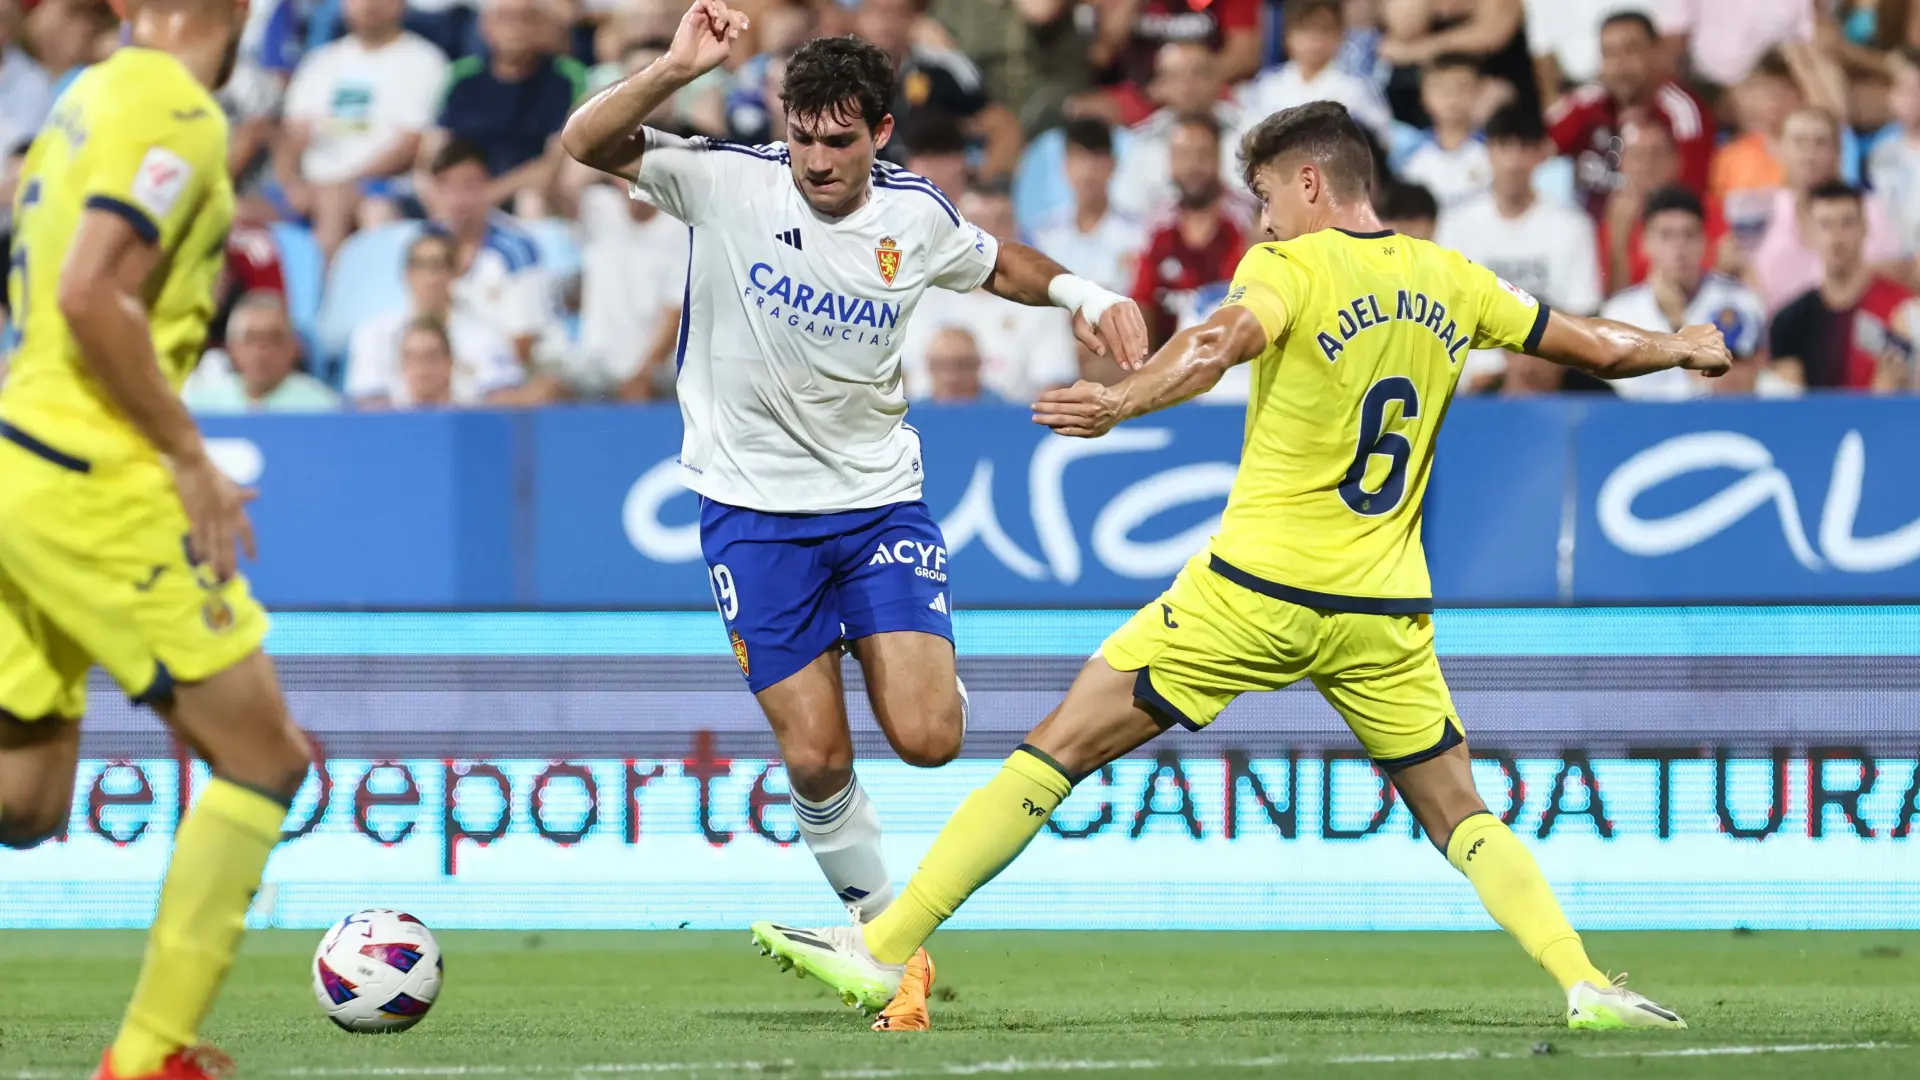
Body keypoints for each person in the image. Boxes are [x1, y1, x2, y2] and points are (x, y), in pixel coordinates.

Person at [748, 99, 1727, 1032]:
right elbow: (1592, 344)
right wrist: (1680, 346)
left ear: (1310, 183)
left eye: (1265, 197)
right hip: (1383, 609)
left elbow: (1218, 341)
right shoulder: (1455, 278)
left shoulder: (1291, 268)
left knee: (1061, 742)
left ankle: (885, 945)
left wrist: (1122, 397)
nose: (1261, 221)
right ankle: (1584, 980)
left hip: (1255, 591)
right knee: (1458, 808)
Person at [562, 3, 1148, 1032]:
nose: (816, 160)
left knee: (929, 739)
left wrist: (1082, 295)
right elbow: (586, 142)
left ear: (881, 132)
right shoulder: (726, 181)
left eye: (839, 141)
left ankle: (907, 663)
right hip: (750, 513)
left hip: (877, 504)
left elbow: (993, 261)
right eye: (802, 136)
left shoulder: (913, 214)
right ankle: (884, 940)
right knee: (818, 759)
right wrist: (676, 68)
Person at [0, 1, 313, 1078]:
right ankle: (146, 1060)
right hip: (89, 473)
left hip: (20, 453)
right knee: (265, 756)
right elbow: (92, 292)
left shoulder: (83, 97)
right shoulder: (174, 106)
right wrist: (187, 454)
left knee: (25, 803)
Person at [1436, 105, 1599, 392]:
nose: (1513, 162)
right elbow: (1445, 311)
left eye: (1524, 148)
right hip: (1472, 377)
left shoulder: (1573, 227)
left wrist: (1531, 364)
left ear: (1541, 154)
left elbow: (1581, 315)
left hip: (1550, 371)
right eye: (1503, 147)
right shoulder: (1455, 224)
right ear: (1488, 152)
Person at [277, 0, 449, 260]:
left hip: (384, 186)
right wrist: (292, 184)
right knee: (242, 212)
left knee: (338, 202)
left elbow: (411, 145)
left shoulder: (424, 61)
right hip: (312, 184)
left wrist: (344, 183)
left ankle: (323, 282)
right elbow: (290, 135)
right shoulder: (320, 61)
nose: (369, 5)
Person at [1600, 187, 1778, 400]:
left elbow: (1736, 384)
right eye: (1666, 236)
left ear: (1704, 241)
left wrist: (1678, 321)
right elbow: (1621, 392)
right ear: (1645, 243)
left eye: (1689, 235)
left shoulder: (1739, 302)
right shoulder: (1620, 312)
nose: (1679, 247)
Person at [1545, 11, 1712, 220]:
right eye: (1609, 53)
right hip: (1583, 230)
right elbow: (1533, 151)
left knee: (1627, 204)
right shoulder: (1587, 102)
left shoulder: (1681, 110)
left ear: (1657, 52)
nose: (1619, 65)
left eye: (1631, 50)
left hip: (1656, 229)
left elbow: (1692, 193)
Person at [1740, 107, 1904, 312]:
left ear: (1838, 151)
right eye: (1799, 142)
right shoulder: (1760, 211)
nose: (1809, 155)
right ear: (1779, 149)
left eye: (1820, 143)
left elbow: (1890, 275)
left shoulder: (1870, 210)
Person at [345, 231, 529, 408]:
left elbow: (504, 402)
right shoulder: (373, 334)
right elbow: (367, 403)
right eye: (421, 265)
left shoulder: (487, 337)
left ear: (455, 272)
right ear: (407, 273)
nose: (430, 277)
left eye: (438, 265)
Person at [437, 0, 590, 213]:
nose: (515, 28)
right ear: (485, 26)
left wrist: (488, 196)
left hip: (530, 192)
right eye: (505, 19)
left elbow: (555, 159)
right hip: (465, 190)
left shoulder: (565, 77)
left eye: (526, 19)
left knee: (531, 199)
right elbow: (435, 150)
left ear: (542, 25)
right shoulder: (464, 76)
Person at [422, 139, 557, 373]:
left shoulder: (516, 249)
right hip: (453, 375)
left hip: (519, 375)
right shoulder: (425, 247)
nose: (457, 199)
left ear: (488, 186)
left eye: (469, 185)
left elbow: (524, 343)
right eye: (446, 186)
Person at [1770, 182, 1918, 391]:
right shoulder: (1789, 321)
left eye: (1847, 223)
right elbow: (1790, 401)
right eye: (1825, 225)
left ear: (1865, 228)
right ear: (1809, 233)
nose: (1836, 237)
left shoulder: (1902, 310)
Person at [1128, 113, 1247, 348]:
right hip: (1163, 355)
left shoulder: (1245, 220)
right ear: (1170, 160)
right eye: (1183, 155)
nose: (1192, 166)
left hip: (1232, 354)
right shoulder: (1156, 226)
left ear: (1218, 157)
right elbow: (1142, 300)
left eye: (1202, 154)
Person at [1235, 0, 1394, 147]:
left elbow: (1382, 139)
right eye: (1306, 31)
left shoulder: (1356, 87)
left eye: (1324, 31)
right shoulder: (1268, 85)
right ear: (1288, 36)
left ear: (1340, 35)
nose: (1315, 41)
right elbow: (1247, 138)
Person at [1029, 119, 1146, 295]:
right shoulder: (1043, 236)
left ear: (1113, 164)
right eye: (1079, 158)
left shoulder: (1137, 234)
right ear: (1065, 165)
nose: (1087, 170)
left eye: (1096, 159)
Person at [184, 292, 343, 413]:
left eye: (274, 338)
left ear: (294, 347)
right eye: (250, 339)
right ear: (231, 348)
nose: (261, 350)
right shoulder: (203, 407)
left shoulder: (323, 408)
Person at [1397, 53, 1491, 212]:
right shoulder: (1407, 154)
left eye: (1462, 88)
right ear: (1424, 95)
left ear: (1479, 92)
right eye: (1441, 89)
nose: (1452, 97)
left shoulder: (1493, 149)